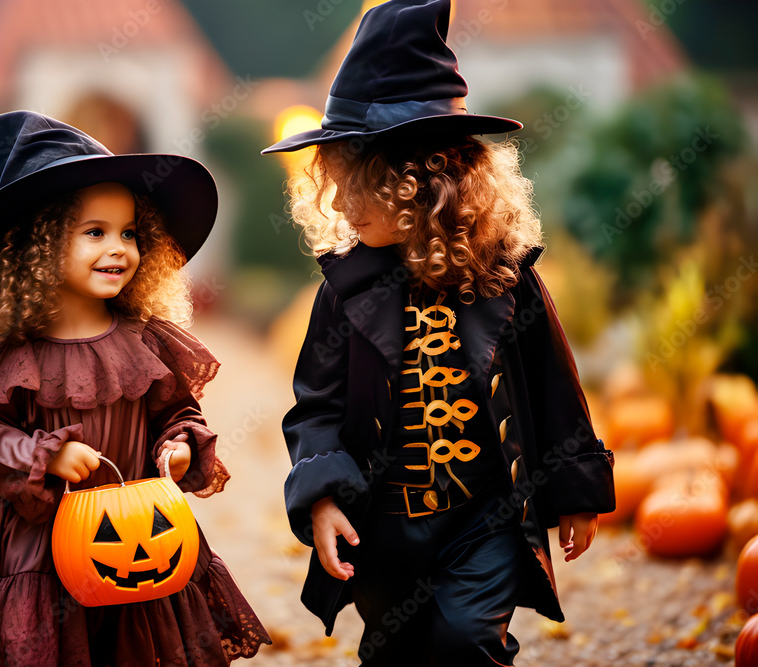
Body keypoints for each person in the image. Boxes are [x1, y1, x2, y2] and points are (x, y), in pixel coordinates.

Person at [262, 2, 616, 665]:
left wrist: (575, 490)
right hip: (384, 524)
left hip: (482, 516)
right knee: (395, 646)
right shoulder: (343, 294)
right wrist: (323, 496)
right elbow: (317, 406)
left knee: (467, 640)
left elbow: (553, 386)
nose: (337, 205)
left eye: (353, 187)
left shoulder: (507, 281)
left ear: (418, 184)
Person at [0, 111, 270, 666]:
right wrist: (44, 455)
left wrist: (180, 442)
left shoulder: (144, 342)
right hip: (30, 540)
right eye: (94, 232)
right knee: (48, 642)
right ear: (37, 248)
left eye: (128, 233)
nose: (117, 247)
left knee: (128, 640)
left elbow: (176, 409)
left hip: (131, 528)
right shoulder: (13, 361)